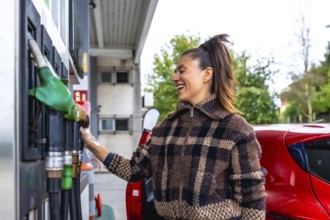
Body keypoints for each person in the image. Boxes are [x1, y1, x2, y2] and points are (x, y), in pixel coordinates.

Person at [80, 34, 266, 220]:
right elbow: (133, 169)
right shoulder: (165, 128)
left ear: (207, 74)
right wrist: (90, 143)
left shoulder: (235, 128)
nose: (174, 77)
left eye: (182, 70)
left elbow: (253, 201)